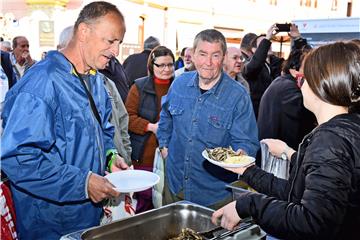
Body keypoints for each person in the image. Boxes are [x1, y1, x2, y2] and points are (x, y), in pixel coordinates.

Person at [1, 2, 130, 239]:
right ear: (83, 32)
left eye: (119, 43)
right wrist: (83, 182)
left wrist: (111, 157)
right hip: (49, 223)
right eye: (110, 41)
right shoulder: (42, 83)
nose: (116, 51)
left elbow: (104, 133)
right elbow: (17, 159)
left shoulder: (95, 80)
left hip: (87, 217)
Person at [212, 41, 360, 239]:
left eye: (304, 79)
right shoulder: (347, 128)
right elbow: (297, 192)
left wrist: (249, 205)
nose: (301, 85)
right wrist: (247, 170)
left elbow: (311, 222)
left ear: (320, 84)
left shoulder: (330, 141)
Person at [157, 29, 259, 209]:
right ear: (193, 55)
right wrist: (164, 145)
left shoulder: (238, 96)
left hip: (214, 196)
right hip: (174, 186)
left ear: (224, 57)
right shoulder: (179, 84)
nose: (208, 62)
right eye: (203, 54)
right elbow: (166, 116)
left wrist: (240, 155)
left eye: (215, 55)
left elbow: (246, 141)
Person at [125, 46, 175, 213]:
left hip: (172, 155)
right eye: (161, 65)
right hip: (144, 155)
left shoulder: (179, 86)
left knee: (167, 201)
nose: (166, 69)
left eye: (170, 64)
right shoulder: (139, 87)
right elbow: (128, 118)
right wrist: (151, 127)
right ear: (151, 66)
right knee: (145, 201)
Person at [257, 48, 316, 149]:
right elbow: (306, 121)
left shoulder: (282, 83)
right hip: (280, 155)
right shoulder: (291, 89)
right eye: (308, 67)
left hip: (275, 151)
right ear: (294, 69)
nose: (313, 71)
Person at [241, 25, 284, 119]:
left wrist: (297, 39)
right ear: (254, 50)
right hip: (258, 116)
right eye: (263, 44)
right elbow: (255, 65)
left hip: (276, 113)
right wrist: (267, 39)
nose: (268, 45)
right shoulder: (249, 65)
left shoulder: (277, 64)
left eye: (269, 42)